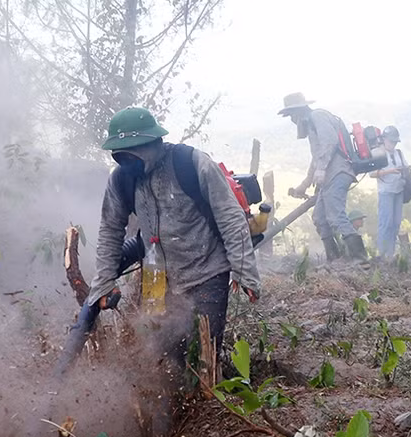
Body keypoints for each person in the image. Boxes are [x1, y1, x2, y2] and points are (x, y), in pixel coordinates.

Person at [87, 106, 261, 376]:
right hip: (157, 278)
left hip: (207, 272)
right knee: (164, 351)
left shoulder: (191, 163)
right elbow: (110, 230)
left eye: (132, 152)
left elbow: (230, 217)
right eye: (121, 154)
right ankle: (173, 394)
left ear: (153, 143)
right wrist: (104, 282)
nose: (127, 161)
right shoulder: (121, 180)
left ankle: (207, 392)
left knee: (203, 351)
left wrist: (244, 271)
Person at [279, 93, 369, 267]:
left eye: (291, 115)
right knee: (320, 217)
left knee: (335, 215)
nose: (292, 120)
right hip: (330, 175)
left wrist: (321, 169)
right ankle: (334, 259)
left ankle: (360, 259)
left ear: (298, 111)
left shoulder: (317, 116)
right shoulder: (312, 124)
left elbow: (330, 142)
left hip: (338, 172)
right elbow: (317, 157)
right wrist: (304, 184)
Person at [369, 126, 408, 258]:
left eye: (395, 142)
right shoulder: (377, 153)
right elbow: (372, 174)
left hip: (399, 191)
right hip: (386, 192)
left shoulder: (399, 153)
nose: (393, 144)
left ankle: (390, 254)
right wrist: (390, 171)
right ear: (384, 139)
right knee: (385, 223)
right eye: (391, 141)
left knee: (395, 224)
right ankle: (382, 254)